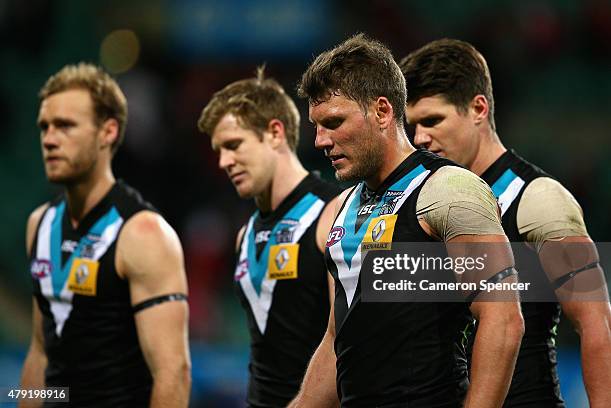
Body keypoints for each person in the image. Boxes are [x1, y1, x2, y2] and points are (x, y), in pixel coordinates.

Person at [290, 34, 524, 408]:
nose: (320, 141)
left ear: (382, 112)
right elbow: (338, 341)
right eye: (316, 126)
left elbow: (503, 319)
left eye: (334, 122)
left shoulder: (450, 189)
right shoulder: (343, 208)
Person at [400, 39, 611, 408]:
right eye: (412, 126)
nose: (420, 138)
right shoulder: (426, 207)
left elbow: (597, 325)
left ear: (478, 108)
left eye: (433, 120)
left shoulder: (538, 199)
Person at [20, 63, 191, 407]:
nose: (50, 139)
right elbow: (40, 351)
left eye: (65, 126)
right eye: (45, 127)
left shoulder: (143, 233)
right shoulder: (39, 224)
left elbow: (173, 372)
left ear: (108, 131)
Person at [197, 68, 340, 407]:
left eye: (233, 145)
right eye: (218, 150)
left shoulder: (333, 213)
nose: (224, 162)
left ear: (275, 132)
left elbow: (346, 345)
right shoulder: (245, 235)